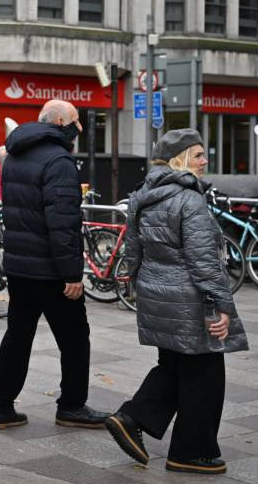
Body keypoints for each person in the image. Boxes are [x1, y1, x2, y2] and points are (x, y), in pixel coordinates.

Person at [104, 129, 248, 476]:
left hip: (159, 295)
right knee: (206, 375)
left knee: (173, 367)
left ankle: (131, 417)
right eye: (197, 155)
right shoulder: (189, 200)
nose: (204, 161)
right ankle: (191, 451)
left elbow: (132, 252)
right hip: (190, 300)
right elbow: (204, 263)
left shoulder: (143, 195)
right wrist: (221, 307)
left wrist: (143, 289)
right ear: (179, 159)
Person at [0, 99, 108, 431]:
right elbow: (62, 222)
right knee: (74, 338)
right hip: (52, 271)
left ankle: (1, 407)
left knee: (18, 336)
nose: (79, 128)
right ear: (58, 121)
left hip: (19, 267)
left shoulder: (15, 155)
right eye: (75, 122)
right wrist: (71, 273)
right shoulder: (60, 160)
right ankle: (72, 405)